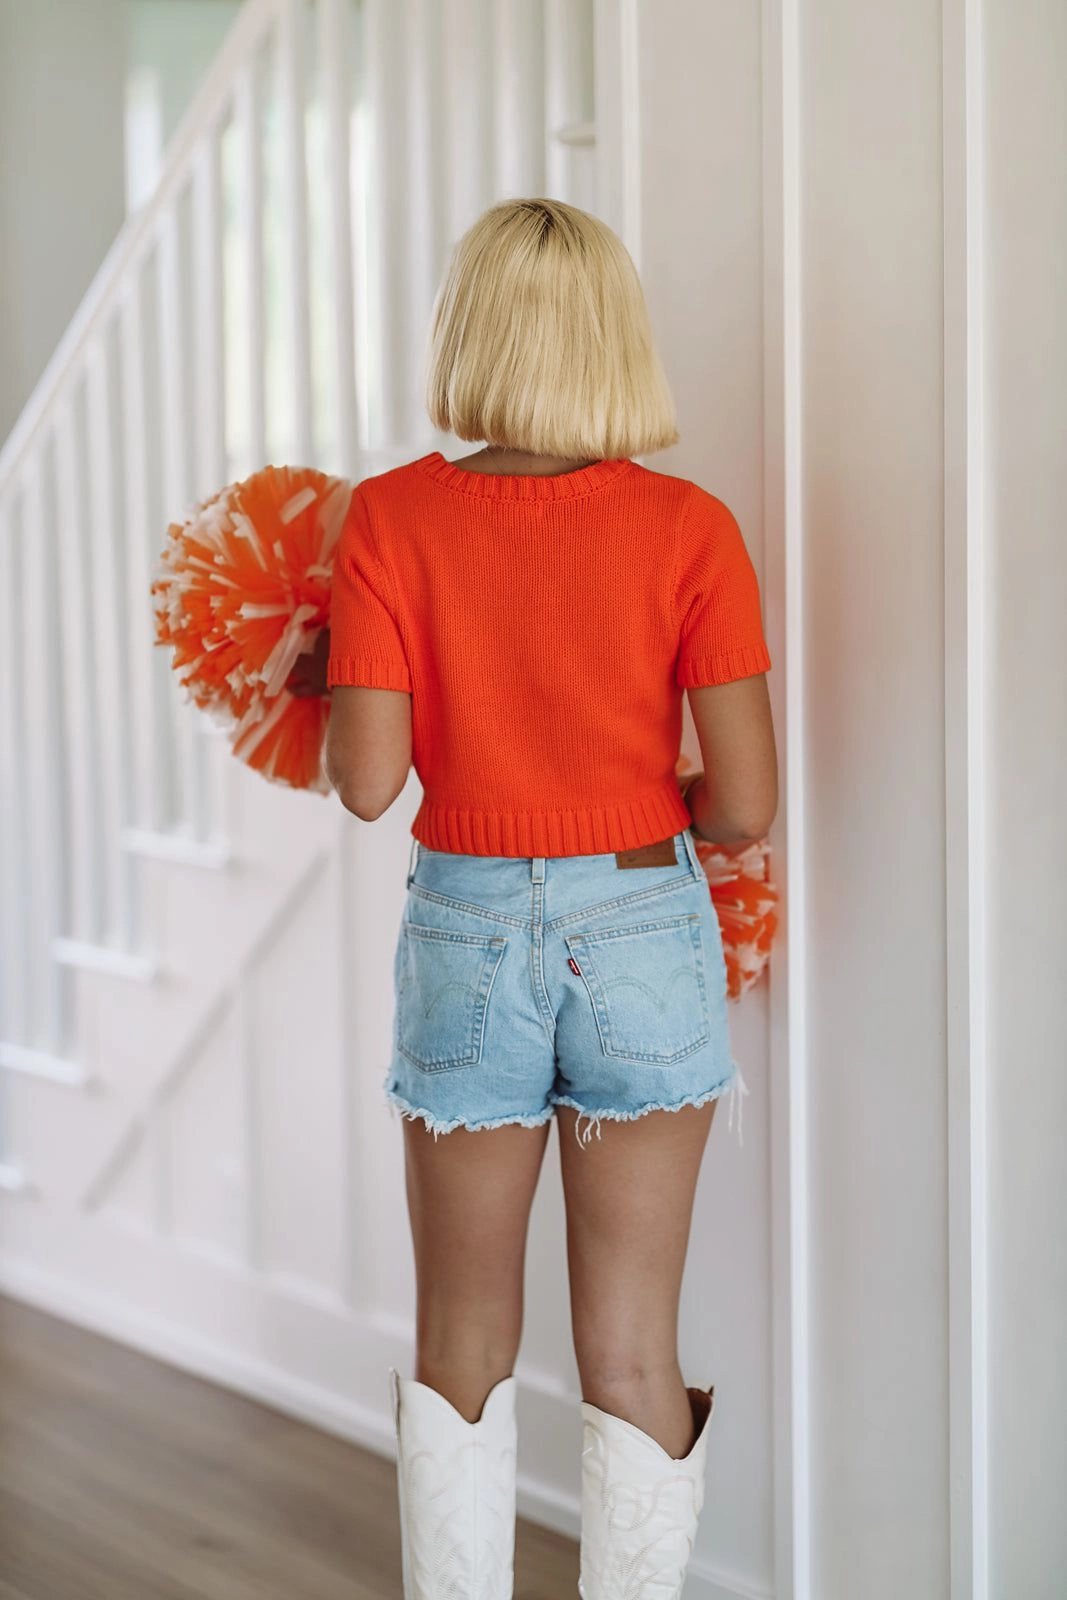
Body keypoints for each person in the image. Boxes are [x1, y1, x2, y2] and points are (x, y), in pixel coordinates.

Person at [312, 197, 777, 1600]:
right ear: (613, 339)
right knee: (631, 1342)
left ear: (466, 334)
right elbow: (746, 807)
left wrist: (324, 677)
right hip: (638, 917)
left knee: (460, 1337)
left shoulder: (390, 517)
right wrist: (618, 832)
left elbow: (368, 783)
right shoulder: (690, 529)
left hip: (461, 928)